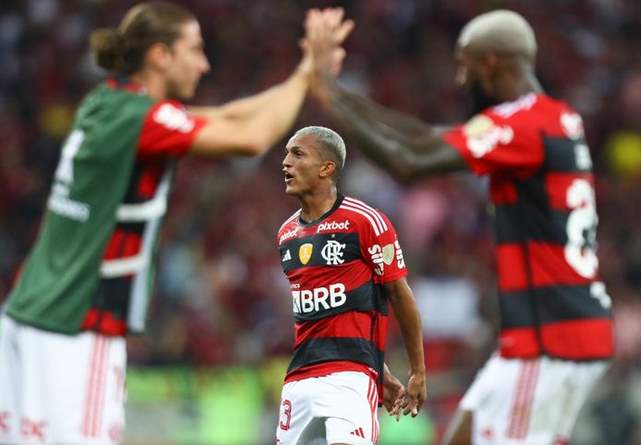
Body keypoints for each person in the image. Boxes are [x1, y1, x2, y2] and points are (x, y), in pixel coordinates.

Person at [0, 3, 351, 444]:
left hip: (27, 316)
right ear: (161, 55)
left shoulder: (109, 102)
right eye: (195, 49)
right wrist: (308, 74)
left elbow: (227, 116)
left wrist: (302, 76)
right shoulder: (142, 119)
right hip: (77, 323)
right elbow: (251, 137)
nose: (204, 63)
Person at [305, 9, 614, 445]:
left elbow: (409, 163)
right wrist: (335, 92)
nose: (460, 79)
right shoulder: (550, 118)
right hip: (543, 333)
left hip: (551, 339)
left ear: (490, 63)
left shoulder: (524, 125)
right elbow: (423, 137)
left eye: (464, 66)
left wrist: (330, 100)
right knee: (460, 437)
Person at [276, 125, 427, 445]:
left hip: (350, 377)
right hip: (298, 379)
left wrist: (418, 371)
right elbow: (326, 315)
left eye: (297, 154)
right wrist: (384, 373)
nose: (285, 162)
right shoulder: (286, 234)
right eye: (286, 153)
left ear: (326, 168)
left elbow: (400, 295)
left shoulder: (364, 221)